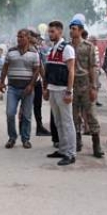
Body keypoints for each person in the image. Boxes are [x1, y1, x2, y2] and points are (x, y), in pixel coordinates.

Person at [0, 29, 40, 149]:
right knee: (10, 113)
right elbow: (5, 68)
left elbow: (36, 70)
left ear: (28, 38)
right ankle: (12, 137)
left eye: (22, 37)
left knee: (26, 115)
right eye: (18, 37)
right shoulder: (11, 52)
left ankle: (25, 139)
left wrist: (31, 85)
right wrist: (1, 82)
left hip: (28, 88)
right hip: (13, 88)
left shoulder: (34, 53)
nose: (19, 39)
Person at [43, 21, 77, 166]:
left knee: (67, 122)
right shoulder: (52, 50)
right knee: (58, 122)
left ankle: (70, 153)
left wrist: (69, 91)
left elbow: (71, 71)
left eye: (53, 32)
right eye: (49, 32)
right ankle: (63, 149)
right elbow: (49, 71)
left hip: (63, 90)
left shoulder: (67, 49)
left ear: (60, 32)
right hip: (53, 89)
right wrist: (46, 88)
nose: (50, 34)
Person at [69, 19, 104, 158]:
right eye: (70, 28)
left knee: (91, 114)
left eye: (74, 28)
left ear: (81, 30)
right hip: (72, 84)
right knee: (74, 115)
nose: (72, 31)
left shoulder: (88, 47)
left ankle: (97, 144)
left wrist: (94, 87)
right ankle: (77, 140)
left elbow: (92, 67)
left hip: (85, 83)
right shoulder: (67, 47)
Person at [30, 32, 52, 137]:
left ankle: (39, 126)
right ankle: (24, 127)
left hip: (37, 81)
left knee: (37, 105)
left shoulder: (37, 50)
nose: (39, 40)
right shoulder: (29, 50)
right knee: (27, 105)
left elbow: (41, 66)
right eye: (37, 38)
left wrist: (44, 81)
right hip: (29, 81)